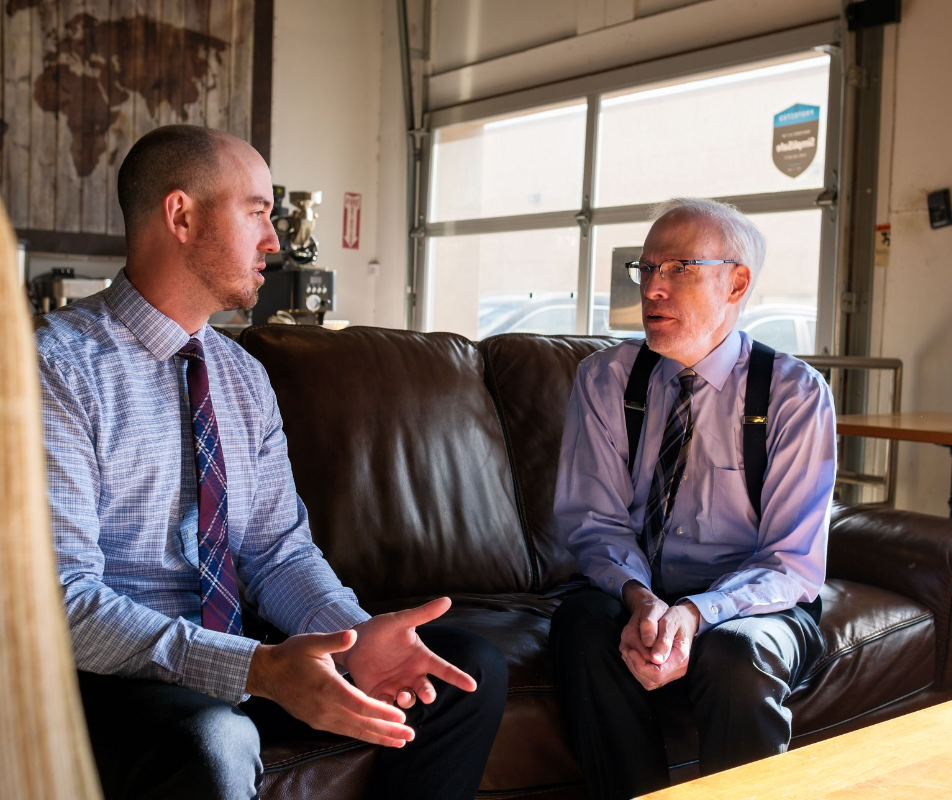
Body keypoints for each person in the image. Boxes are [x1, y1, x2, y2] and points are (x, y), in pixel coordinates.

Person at [35, 124, 507, 800]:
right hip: (116, 678)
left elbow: (276, 551)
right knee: (216, 741)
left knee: (466, 672)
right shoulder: (56, 367)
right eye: (256, 211)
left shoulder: (242, 376)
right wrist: (255, 668)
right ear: (182, 215)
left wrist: (352, 635)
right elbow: (66, 603)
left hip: (245, 655)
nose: (274, 241)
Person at [548, 197, 835, 800]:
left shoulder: (794, 394)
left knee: (734, 656)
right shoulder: (605, 380)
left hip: (758, 605)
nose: (652, 288)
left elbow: (791, 563)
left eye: (679, 268)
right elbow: (594, 523)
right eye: (646, 268)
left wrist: (698, 613)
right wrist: (641, 599)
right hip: (639, 586)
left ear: (736, 284)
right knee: (581, 626)